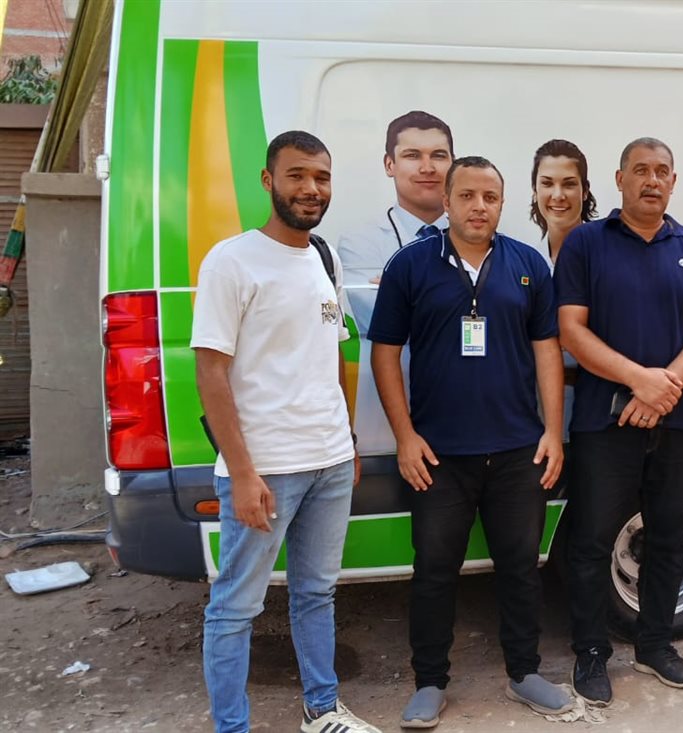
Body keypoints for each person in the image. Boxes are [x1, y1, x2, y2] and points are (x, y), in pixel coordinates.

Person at [369, 156, 573, 728]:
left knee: (520, 568)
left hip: (517, 452)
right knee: (435, 571)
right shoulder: (411, 265)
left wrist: (552, 432)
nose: (478, 206)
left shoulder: (527, 264)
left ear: (502, 204)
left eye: (490, 197)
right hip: (439, 457)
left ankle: (524, 672)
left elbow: (547, 351)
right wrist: (405, 437)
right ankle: (429, 682)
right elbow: (384, 353)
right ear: (447, 201)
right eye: (467, 196)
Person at [192, 130, 379, 733]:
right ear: (268, 180)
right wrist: (242, 473)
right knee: (235, 608)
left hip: (330, 462)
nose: (311, 188)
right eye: (297, 175)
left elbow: (334, 354)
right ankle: (232, 727)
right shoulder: (232, 260)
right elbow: (211, 371)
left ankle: (322, 710)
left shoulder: (324, 257)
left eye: (321, 177)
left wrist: (347, 441)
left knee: (316, 594)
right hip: (266, 470)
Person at [555, 137, 683, 705]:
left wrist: (662, 387)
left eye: (662, 172)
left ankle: (655, 644)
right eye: (641, 170)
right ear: (620, 179)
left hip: (675, 420)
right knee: (590, 540)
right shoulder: (586, 243)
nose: (652, 180)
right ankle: (590, 653)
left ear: (673, 182)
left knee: (669, 536)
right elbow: (571, 329)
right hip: (605, 423)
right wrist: (637, 380)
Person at [337, 111, 455, 456]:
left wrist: (403, 290)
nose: (427, 167)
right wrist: (458, 298)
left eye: (438, 155)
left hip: (467, 425)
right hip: (387, 434)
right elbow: (384, 320)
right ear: (390, 164)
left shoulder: (484, 240)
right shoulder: (359, 243)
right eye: (412, 155)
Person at [529, 138, 599, 442]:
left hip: (598, 410)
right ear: (535, 191)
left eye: (569, 184)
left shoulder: (608, 254)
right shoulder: (525, 261)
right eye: (547, 183)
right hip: (537, 414)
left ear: (584, 191)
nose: (558, 195)